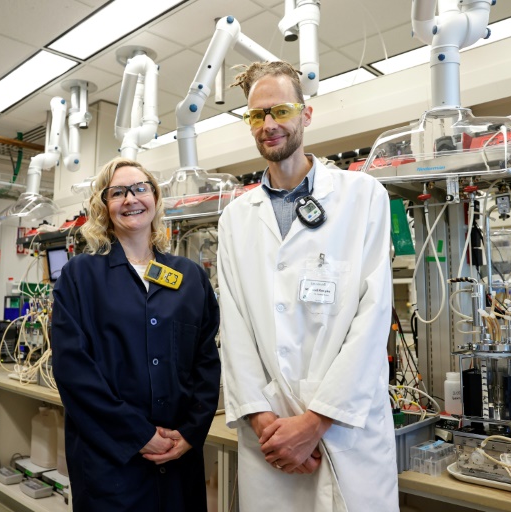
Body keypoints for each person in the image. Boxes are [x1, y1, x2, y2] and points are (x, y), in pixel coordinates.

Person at [218, 61, 398, 511]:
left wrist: (315, 421)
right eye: (257, 115)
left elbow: (373, 317)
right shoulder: (235, 218)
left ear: (306, 114)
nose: (269, 124)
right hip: (271, 436)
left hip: (344, 429)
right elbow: (234, 328)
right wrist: (263, 421)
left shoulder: (363, 196)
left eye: (280, 111)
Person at [51, 157, 221, 511]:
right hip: (111, 464)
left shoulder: (189, 278)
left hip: (179, 459)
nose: (131, 199)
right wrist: (138, 434)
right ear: (104, 206)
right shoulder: (80, 275)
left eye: (140, 188)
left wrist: (191, 432)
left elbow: (206, 362)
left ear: (155, 198)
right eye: (118, 193)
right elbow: (73, 370)